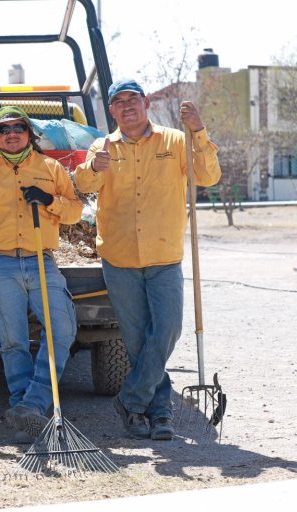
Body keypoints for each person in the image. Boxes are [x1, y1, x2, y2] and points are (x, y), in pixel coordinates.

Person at [74, 79, 222, 440]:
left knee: (169, 329)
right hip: (120, 257)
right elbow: (82, 185)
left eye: (133, 100)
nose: (127, 107)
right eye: (119, 102)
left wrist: (199, 130)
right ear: (111, 110)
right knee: (137, 340)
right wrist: (96, 168)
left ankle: (130, 399)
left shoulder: (176, 140)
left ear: (146, 104)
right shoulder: (102, 145)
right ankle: (155, 413)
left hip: (164, 255)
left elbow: (209, 177)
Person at [0, 106, 83, 443]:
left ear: (29, 133)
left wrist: (48, 200)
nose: (11, 133)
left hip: (41, 259)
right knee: (11, 340)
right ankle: (24, 413)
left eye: (18, 127)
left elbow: (75, 211)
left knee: (61, 329)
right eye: (3, 129)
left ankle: (33, 402)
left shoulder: (50, 167)